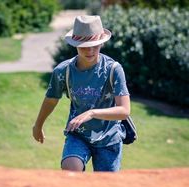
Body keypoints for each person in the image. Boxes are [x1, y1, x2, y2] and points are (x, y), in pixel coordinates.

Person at [32, 15, 130, 172]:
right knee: (71, 169)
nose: (90, 50)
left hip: (109, 139)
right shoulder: (63, 71)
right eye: (84, 45)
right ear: (75, 44)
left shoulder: (113, 69)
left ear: (102, 43)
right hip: (78, 135)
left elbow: (124, 111)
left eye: (95, 44)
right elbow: (51, 99)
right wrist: (38, 125)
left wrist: (91, 113)